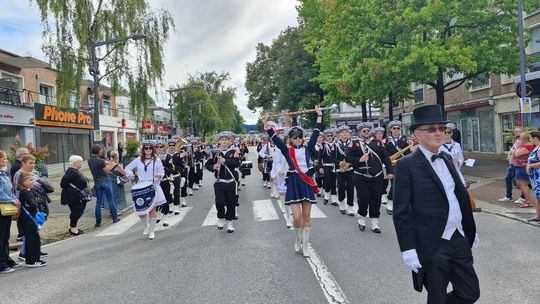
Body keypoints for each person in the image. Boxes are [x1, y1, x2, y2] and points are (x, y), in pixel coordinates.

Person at [393, 105, 479, 304]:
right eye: (431, 129)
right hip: (431, 244)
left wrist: (469, 228)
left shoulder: (447, 157)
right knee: (437, 296)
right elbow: (401, 212)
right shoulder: (407, 165)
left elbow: (457, 196)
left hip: (458, 239)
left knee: (470, 293)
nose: (439, 133)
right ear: (417, 134)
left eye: (442, 128)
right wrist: (408, 249)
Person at [262, 106, 323, 258]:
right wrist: (266, 123)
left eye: (299, 137)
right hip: (294, 182)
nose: (297, 139)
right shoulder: (287, 150)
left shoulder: (308, 148)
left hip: (307, 182)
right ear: (290, 139)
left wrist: (319, 116)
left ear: (303, 137)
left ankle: (305, 244)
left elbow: (316, 132)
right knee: (296, 218)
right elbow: (274, 138)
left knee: (307, 217)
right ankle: (298, 238)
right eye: (294, 137)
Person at [346, 122, 393, 233]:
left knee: (376, 200)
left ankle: (374, 223)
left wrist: (390, 171)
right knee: (363, 199)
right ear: (359, 132)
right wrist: (359, 160)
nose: (366, 132)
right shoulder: (354, 143)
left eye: (368, 130)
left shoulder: (378, 143)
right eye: (363, 131)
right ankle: (362, 218)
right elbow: (348, 158)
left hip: (377, 176)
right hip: (361, 176)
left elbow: (386, 158)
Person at [125, 140, 167, 240]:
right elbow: (127, 168)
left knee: (152, 210)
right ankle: (146, 226)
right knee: (141, 212)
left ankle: (152, 231)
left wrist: (159, 175)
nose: (148, 150)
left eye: (150, 148)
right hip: (141, 187)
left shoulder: (156, 159)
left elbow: (162, 172)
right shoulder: (138, 160)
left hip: (153, 186)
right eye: (146, 148)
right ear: (143, 150)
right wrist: (130, 174)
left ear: (153, 149)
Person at [205, 131, 241, 233]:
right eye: (222, 140)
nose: (224, 142)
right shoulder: (215, 153)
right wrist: (213, 167)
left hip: (231, 182)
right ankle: (221, 217)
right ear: (219, 141)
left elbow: (237, 163)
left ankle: (230, 223)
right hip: (220, 182)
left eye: (226, 140)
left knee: (231, 203)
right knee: (220, 202)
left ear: (229, 141)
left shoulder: (234, 151)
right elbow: (207, 165)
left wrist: (225, 161)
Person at [17, 172, 47, 267]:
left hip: (31, 217)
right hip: (27, 218)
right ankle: (32, 260)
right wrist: (37, 201)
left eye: (33, 179)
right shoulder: (24, 192)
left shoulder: (29, 191)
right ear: (23, 182)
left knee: (35, 238)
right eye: (30, 180)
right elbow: (33, 204)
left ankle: (35, 258)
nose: (33, 181)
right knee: (31, 238)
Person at [88, 144, 120, 227]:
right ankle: (115, 218)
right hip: (105, 180)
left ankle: (98, 222)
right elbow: (107, 171)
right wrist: (111, 164)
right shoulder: (101, 161)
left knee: (98, 202)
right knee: (110, 199)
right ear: (99, 151)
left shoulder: (89, 161)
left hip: (97, 181)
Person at [0, 150, 21, 274]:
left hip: (6, 208)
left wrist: (14, 198)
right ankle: (1, 263)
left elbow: (10, 189)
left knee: (5, 236)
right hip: (2, 208)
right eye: (4, 158)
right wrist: (13, 200)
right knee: (1, 237)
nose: (6, 160)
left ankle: (6, 259)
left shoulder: (3, 173)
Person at [60, 155, 88, 236]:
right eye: (80, 161)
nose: (81, 163)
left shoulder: (75, 171)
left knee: (78, 210)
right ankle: (73, 228)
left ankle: (73, 226)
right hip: (73, 196)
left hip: (77, 195)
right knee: (76, 211)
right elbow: (63, 183)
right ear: (75, 163)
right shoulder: (71, 172)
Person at [271, 134, 293, 229]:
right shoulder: (281, 149)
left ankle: (293, 213)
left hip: (295, 175)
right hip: (283, 174)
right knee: (284, 195)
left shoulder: (298, 149)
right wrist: (279, 170)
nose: (289, 140)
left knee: (293, 196)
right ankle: (288, 218)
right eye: (287, 139)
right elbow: (277, 161)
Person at [498, 127, 524, 203]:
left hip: (518, 164)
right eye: (515, 131)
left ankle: (523, 197)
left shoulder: (522, 141)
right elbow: (513, 150)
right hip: (513, 163)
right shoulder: (517, 140)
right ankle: (509, 196)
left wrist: (512, 151)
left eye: (517, 131)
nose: (515, 133)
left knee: (521, 181)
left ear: (522, 132)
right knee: (508, 179)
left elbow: (516, 152)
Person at [334, 125, 355, 216]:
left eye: (346, 133)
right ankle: (342, 203)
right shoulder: (335, 145)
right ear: (339, 134)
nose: (345, 134)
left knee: (350, 188)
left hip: (350, 169)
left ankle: (350, 207)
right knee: (341, 188)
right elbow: (331, 158)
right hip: (340, 170)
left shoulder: (353, 144)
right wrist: (338, 162)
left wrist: (351, 161)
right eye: (343, 133)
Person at [512, 131, 534, 208]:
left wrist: (513, 151)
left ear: (524, 138)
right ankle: (527, 201)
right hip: (519, 166)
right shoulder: (525, 145)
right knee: (520, 184)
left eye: (521, 138)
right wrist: (514, 151)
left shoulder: (527, 146)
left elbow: (516, 154)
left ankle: (527, 201)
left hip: (522, 167)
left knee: (523, 185)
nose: (519, 139)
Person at [526, 131, 540, 222]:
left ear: (535, 138)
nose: (530, 140)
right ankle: (538, 216)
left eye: (530, 138)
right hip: (535, 177)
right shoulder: (536, 148)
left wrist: (530, 166)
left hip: (538, 177)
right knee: (538, 197)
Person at [322, 129, 337, 206]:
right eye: (328, 136)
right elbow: (319, 156)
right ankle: (326, 197)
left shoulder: (336, 144)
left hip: (334, 166)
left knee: (334, 183)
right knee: (327, 182)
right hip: (326, 166)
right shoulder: (323, 145)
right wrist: (320, 167)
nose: (329, 137)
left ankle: (334, 199)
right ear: (325, 137)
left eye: (331, 135)